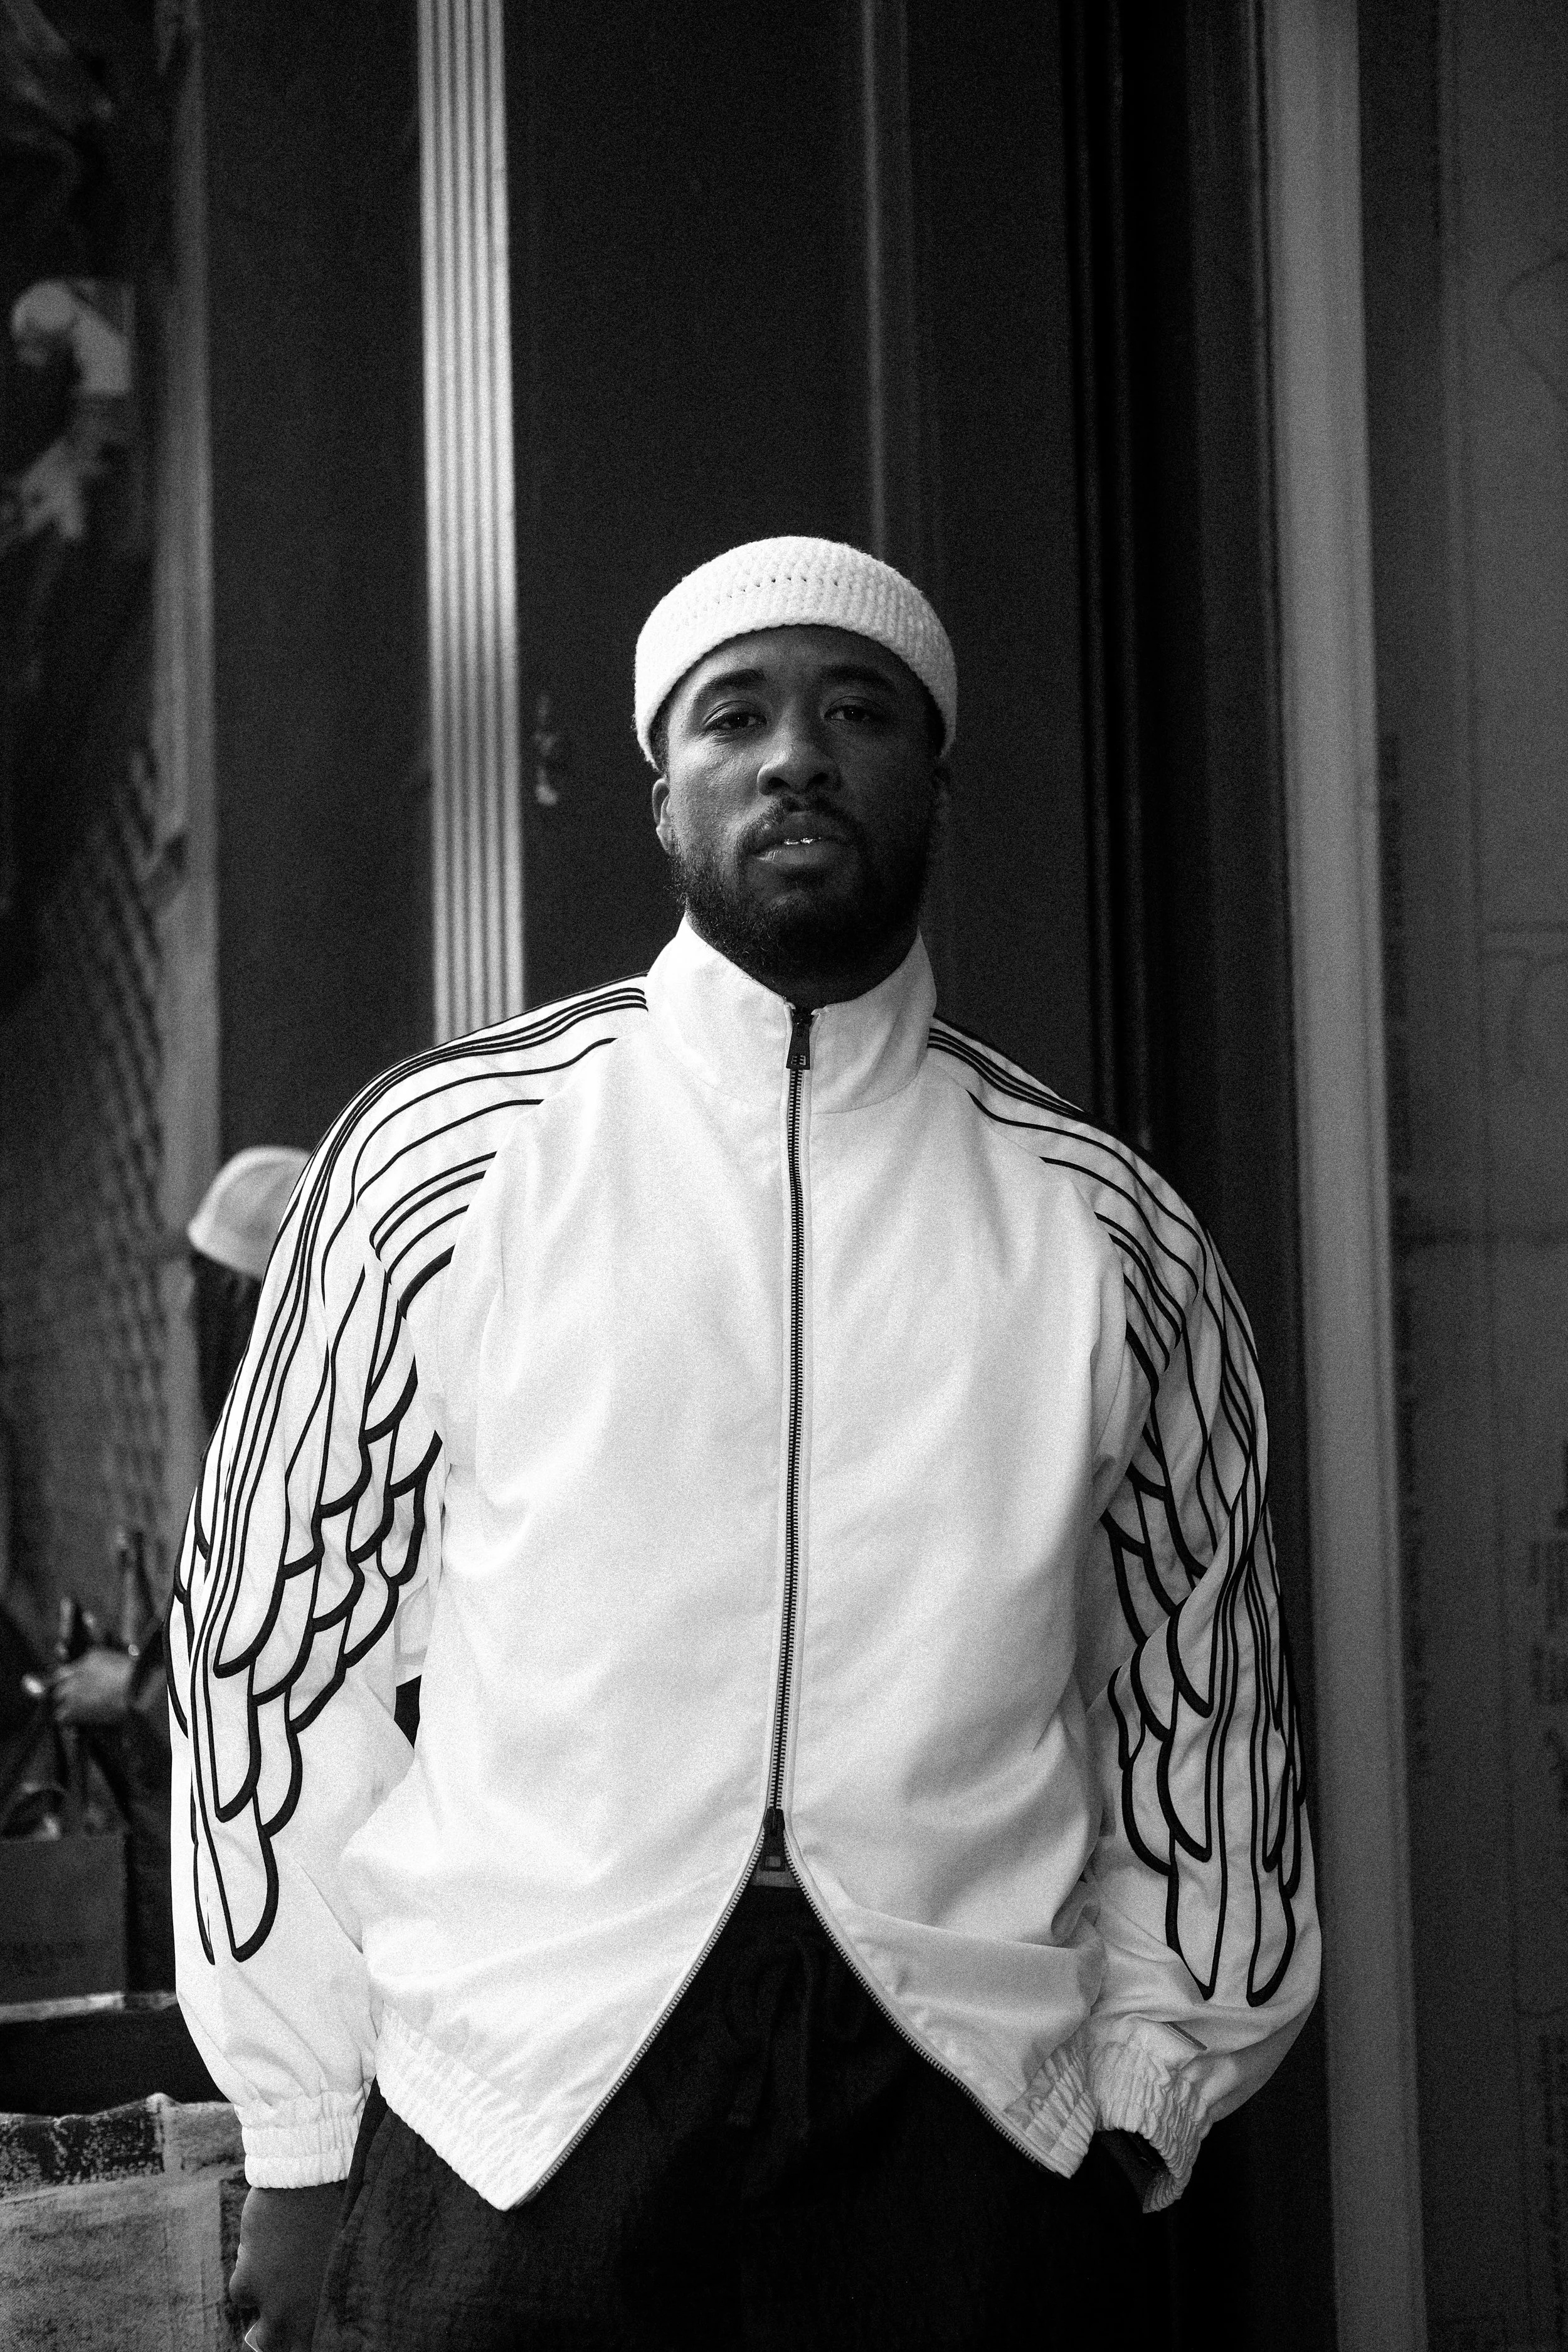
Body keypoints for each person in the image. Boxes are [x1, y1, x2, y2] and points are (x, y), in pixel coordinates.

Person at [169, 538, 1320, 2349]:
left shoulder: (1106, 1236)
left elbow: (1201, 1700)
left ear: (935, 777)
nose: (796, 756)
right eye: (735, 716)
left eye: (857, 711)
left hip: (967, 2125)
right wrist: (302, 2127)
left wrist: (1138, 2095)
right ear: (661, 790)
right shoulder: (445, 1163)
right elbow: (275, 1647)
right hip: (521, 2110)